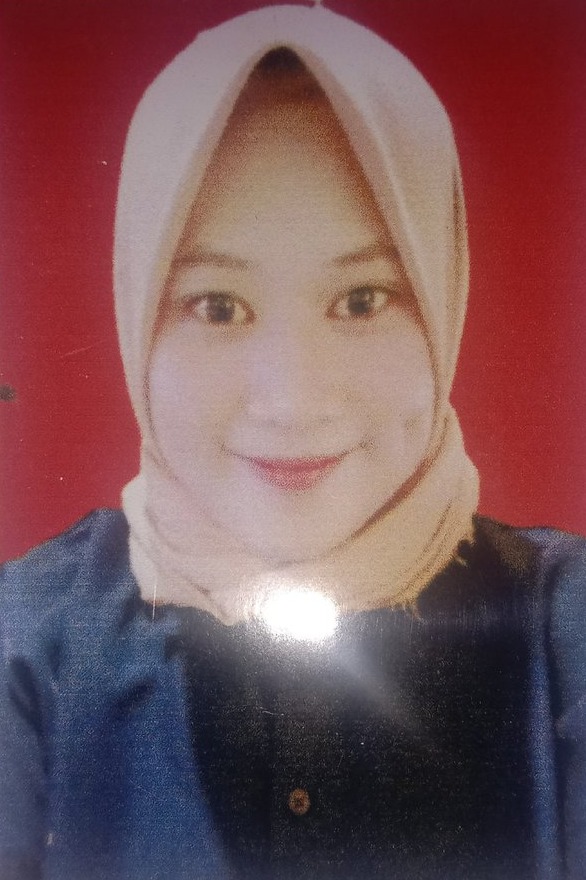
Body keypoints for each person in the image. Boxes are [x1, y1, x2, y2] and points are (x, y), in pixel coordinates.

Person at [1, 5, 585, 879]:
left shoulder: (564, 635)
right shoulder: (28, 646)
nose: (290, 400)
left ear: (442, 294)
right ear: (138, 312)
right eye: (218, 307)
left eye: (361, 300)